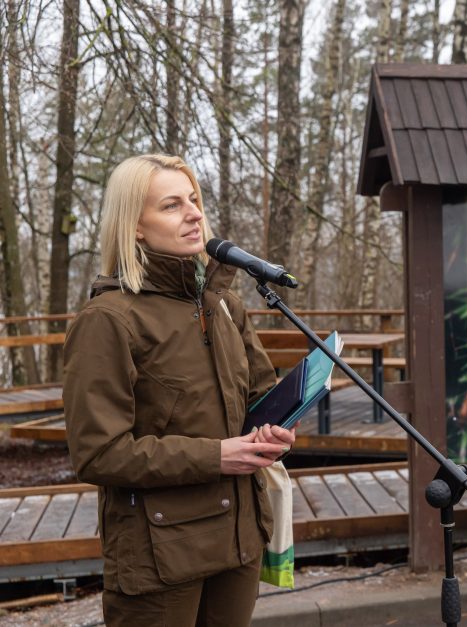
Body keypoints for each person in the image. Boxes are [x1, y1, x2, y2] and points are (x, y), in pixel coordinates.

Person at [64, 154, 295, 626]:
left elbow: (259, 396)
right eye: (172, 205)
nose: (194, 213)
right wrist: (217, 455)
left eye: (194, 200)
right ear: (135, 228)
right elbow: (99, 453)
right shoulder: (108, 320)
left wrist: (276, 429)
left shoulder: (225, 303)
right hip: (160, 556)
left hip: (241, 540)